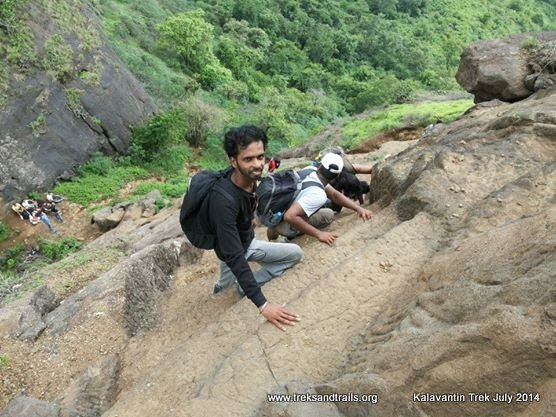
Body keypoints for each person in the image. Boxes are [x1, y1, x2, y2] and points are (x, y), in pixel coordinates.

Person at [209, 125, 303, 331]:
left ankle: (241, 285)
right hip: (230, 250)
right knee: (223, 289)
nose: (257, 164)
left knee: (295, 253)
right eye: (248, 159)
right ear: (232, 160)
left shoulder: (249, 178)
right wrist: (264, 305)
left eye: (260, 157)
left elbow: (248, 198)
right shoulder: (222, 200)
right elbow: (234, 255)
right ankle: (231, 286)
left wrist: (249, 218)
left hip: (245, 240)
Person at [267, 153, 373, 245]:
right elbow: (290, 216)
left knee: (311, 205)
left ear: (320, 165)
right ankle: (286, 231)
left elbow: (335, 195)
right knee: (328, 214)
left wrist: (359, 209)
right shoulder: (318, 195)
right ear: (337, 176)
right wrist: (319, 234)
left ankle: (274, 227)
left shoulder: (310, 170)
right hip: (286, 219)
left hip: (275, 211)